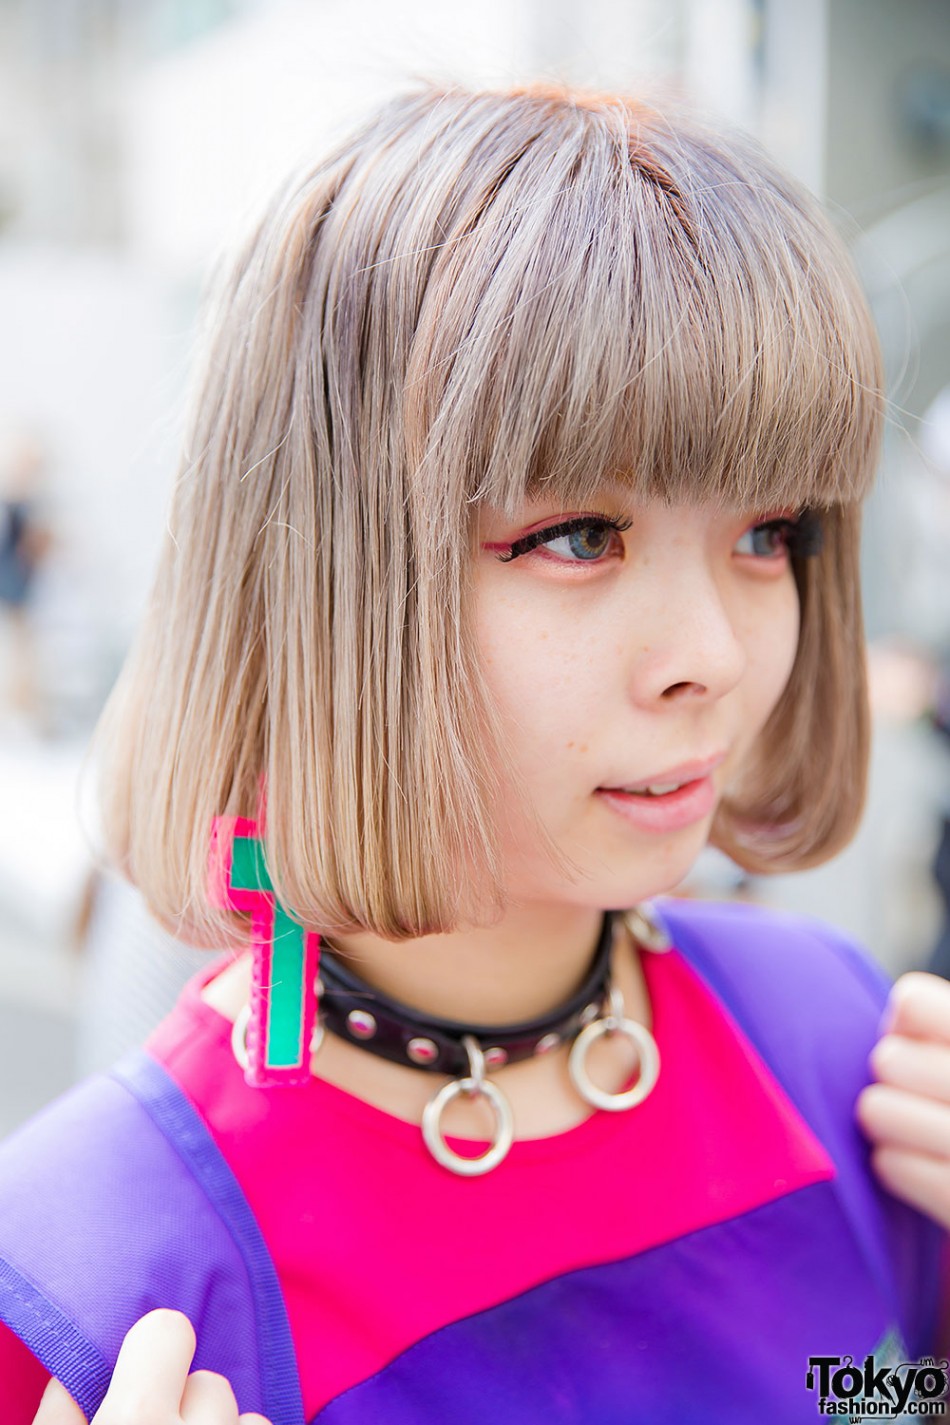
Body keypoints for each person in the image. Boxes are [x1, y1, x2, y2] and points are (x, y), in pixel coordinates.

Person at [1, 81, 948, 1425]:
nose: (714, 654)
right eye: (577, 535)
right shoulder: (89, 1269)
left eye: (766, 533)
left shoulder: (844, 1055)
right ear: (321, 574)